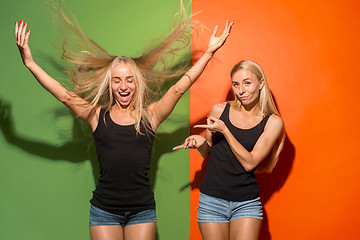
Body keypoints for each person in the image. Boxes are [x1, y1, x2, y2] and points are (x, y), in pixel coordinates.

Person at [14, 3, 233, 238]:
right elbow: (64, 95)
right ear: (110, 84)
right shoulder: (96, 116)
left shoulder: (151, 116)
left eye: (129, 80)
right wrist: (30, 63)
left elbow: (179, 88)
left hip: (142, 211)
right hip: (103, 212)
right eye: (117, 80)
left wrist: (209, 53)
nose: (123, 86)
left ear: (136, 83)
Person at [173, 60, 285, 240]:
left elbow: (250, 163)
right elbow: (208, 152)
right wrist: (200, 143)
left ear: (261, 83)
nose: (241, 90)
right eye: (236, 84)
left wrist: (225, 130)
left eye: (247, 83)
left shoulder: (272, 122)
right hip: (211, 201)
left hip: (246, 203)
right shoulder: (219, 110)